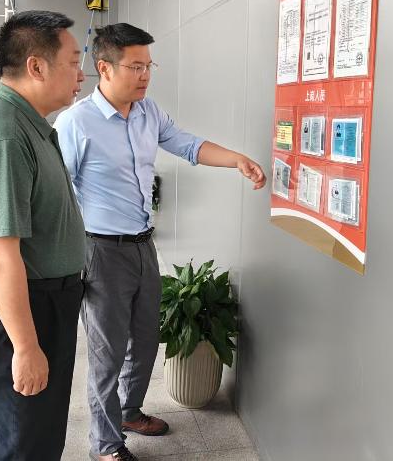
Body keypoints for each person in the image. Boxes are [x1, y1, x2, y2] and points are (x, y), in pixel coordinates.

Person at [54, 23, 266, 461]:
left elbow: (187, 144)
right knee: (107, 352)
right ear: (104, 68)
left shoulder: (148, 112)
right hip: (100, 250)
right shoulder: (76, 122)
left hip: (142, 245)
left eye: (149, 66)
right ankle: (105, 444)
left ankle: (129, 411)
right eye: (135, 66)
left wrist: (236, 160)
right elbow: (59, 193)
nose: (145, 75)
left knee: (146, 336)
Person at [0, 10, 86, 460]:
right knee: (16, 442)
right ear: (37, 66)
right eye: (74, 62)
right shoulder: (5, 138)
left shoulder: (27, 123)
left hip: (40, 303)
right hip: (18, 311)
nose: (81, 75)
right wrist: (26, 347)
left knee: (36, 436)